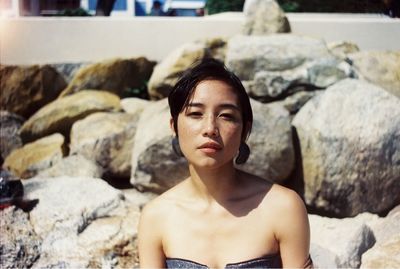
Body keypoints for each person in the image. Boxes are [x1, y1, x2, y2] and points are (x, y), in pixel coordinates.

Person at [138, 58, 313, 268]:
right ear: (174, 126)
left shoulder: (283, 207)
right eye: (195, 114)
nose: (210, 128)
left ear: (244, 130)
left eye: (227, 116)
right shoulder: (156, 216)